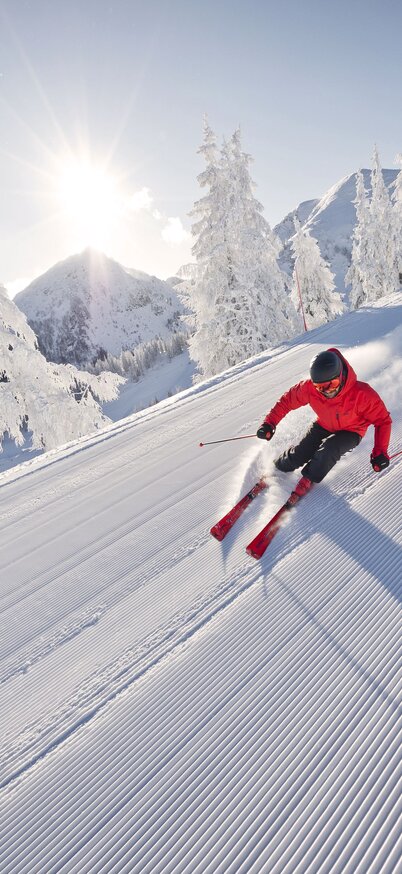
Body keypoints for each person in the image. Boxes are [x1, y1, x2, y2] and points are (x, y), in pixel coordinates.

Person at [257, 348, 392, 498]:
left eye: (332, 384)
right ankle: (279, 467)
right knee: (301, 452)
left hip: (352, 430)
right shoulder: (309, 389)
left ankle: (309, 478)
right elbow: (287, 401)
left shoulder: (362, 394)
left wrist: (380, 452)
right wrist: (269, 423)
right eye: (320, 387)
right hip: (325, 424)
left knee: (329, 450)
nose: (327, 391)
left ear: (341, 375)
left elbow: (383, 421)